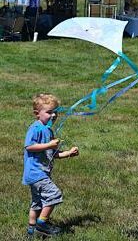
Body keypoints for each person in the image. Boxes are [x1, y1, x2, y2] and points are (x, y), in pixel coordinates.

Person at [23, 93, 79, 237]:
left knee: (37, 203)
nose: (53, 115)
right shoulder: (35, 128)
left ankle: (31, 230)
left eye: (56, 112)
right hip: (36, 173)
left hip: (39, 173)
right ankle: (42, 223)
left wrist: (68, 153)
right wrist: (49, 144)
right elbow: (29, 147)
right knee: (54, 194)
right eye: (49, 112)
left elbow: (53, 153)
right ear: (37, 114)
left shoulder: (48, 130)